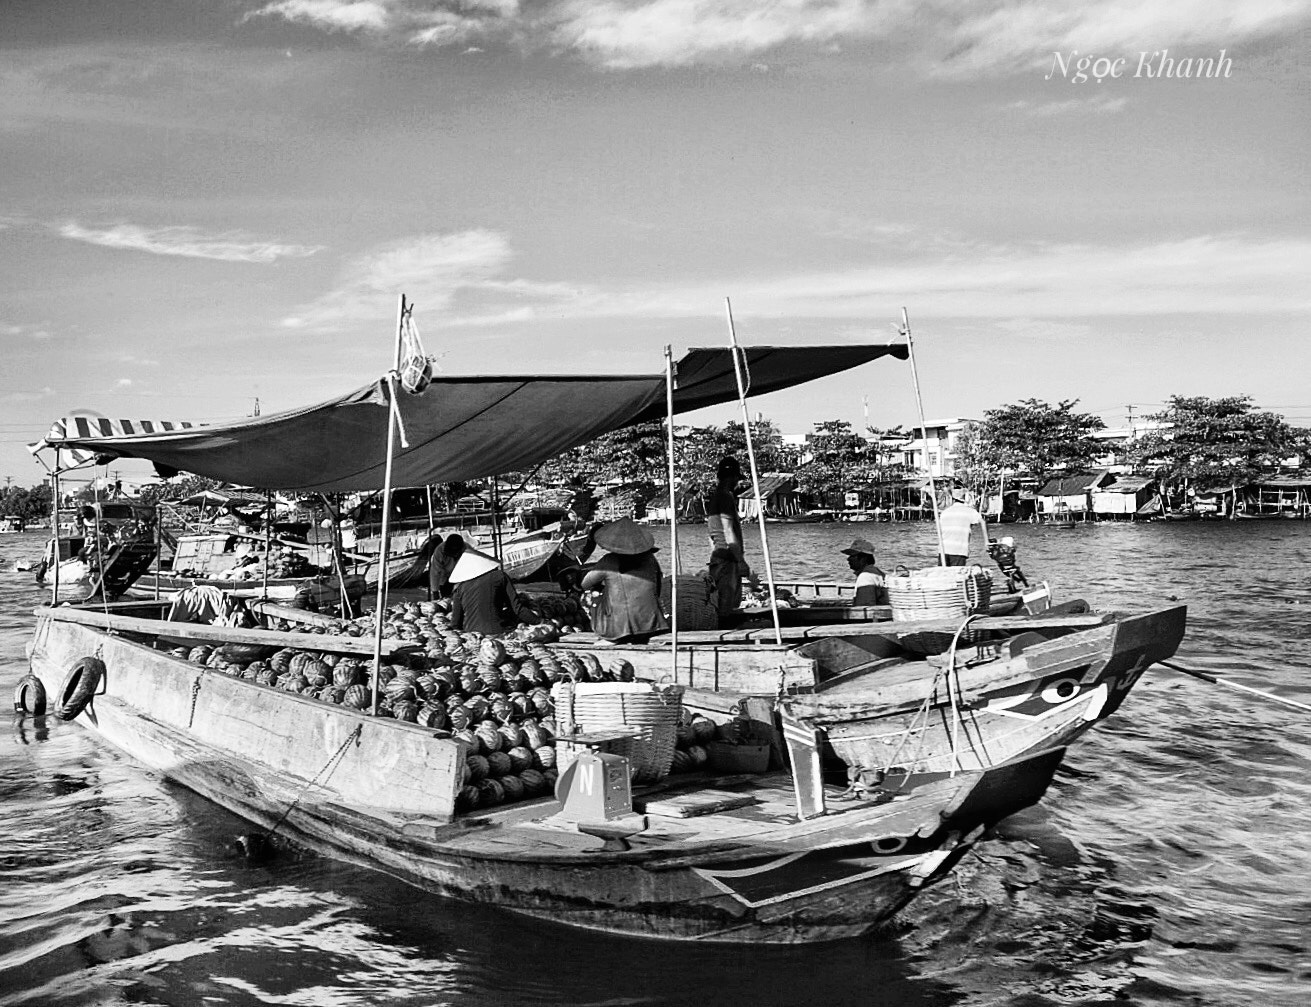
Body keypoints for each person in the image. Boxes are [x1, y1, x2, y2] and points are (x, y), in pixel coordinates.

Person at [580, 517, 670, 643]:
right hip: (652, 623)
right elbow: (658, 587)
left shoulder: (609, 561)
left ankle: (613, 634)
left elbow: (585, 584)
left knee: (590, 594)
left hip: (619, 626)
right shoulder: (651, 559)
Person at [705, 456, 758, 618]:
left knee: (720, 603)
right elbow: (728, 532)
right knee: (727, 606)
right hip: (727, 559)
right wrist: (740, 561)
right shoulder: (725, 497)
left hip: (717, 557)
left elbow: (711, 536)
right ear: (733, 478)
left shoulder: (714, 498)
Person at [447, 547, 537, 636]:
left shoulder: (459, 588)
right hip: (497, 633)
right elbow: (518, 609)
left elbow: (455, 623)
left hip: (472, 636)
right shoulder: (499, 576)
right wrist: (538, 621)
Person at [940, 486, 986, 566]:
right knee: (957, 576)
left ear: (953, 500)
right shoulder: (970, 511)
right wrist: (986, 542)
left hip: (943, 550)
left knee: (943, 575)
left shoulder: (944, 513)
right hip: (959, 550)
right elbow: (982, 522)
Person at [841, 537, 888, 606]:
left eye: (853, 556)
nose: (848, 559)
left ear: (863, 558)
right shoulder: (874, 571)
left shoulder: (866, 576)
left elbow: (864, 608)